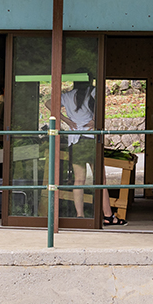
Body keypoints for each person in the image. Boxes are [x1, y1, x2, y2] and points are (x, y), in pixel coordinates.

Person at [60, 79, 117, 223]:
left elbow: (48, 103)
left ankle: (80, 216)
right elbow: (101, 101)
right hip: (91, 138)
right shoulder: (91, 91)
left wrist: (66, 121)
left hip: (75, 141)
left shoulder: (67, 96)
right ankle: (108, 216)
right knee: (100, 179)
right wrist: (94, 119)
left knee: (79, 180)